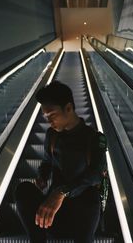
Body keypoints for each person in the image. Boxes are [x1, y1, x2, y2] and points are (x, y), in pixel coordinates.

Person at [14, 81, 107, 243]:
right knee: (23, 189)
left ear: (69, 108)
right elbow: (46, 161)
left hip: (82, 217)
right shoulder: (52, 135)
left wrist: (62, 192)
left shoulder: (95, 138)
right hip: (53, 214)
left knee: (91, 195)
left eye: (52, 115)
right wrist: (42, 175)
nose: (49, 121)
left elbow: (96, 175)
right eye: (46, 117)